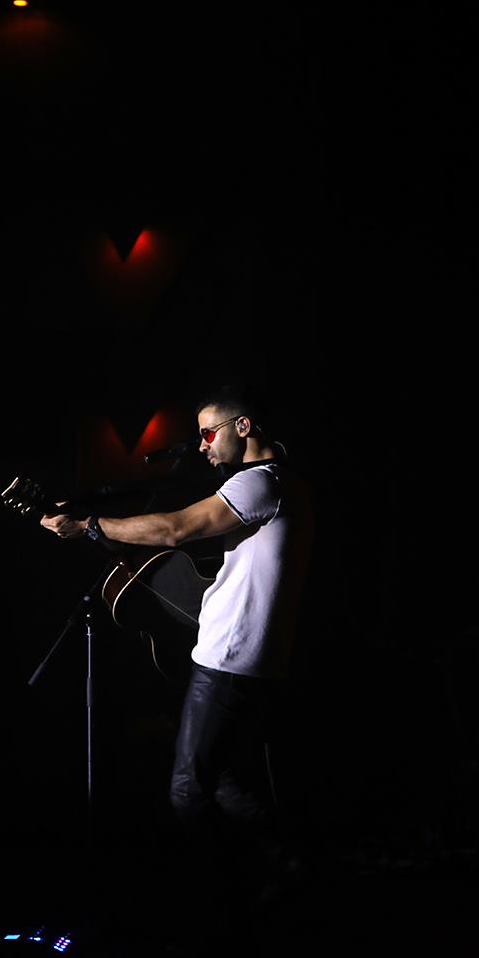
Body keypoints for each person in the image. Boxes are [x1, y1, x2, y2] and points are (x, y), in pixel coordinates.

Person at [40, 384, 315, 913]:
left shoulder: (259, 482)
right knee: (224, 777)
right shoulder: (284, 484)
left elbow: (175, 529)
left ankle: (232, 891)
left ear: (242, 426)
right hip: (248, 660)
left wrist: (91, 525)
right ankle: (284, 863)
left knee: (188, 789)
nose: (203, 446)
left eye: (209, 434)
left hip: (230, 660)